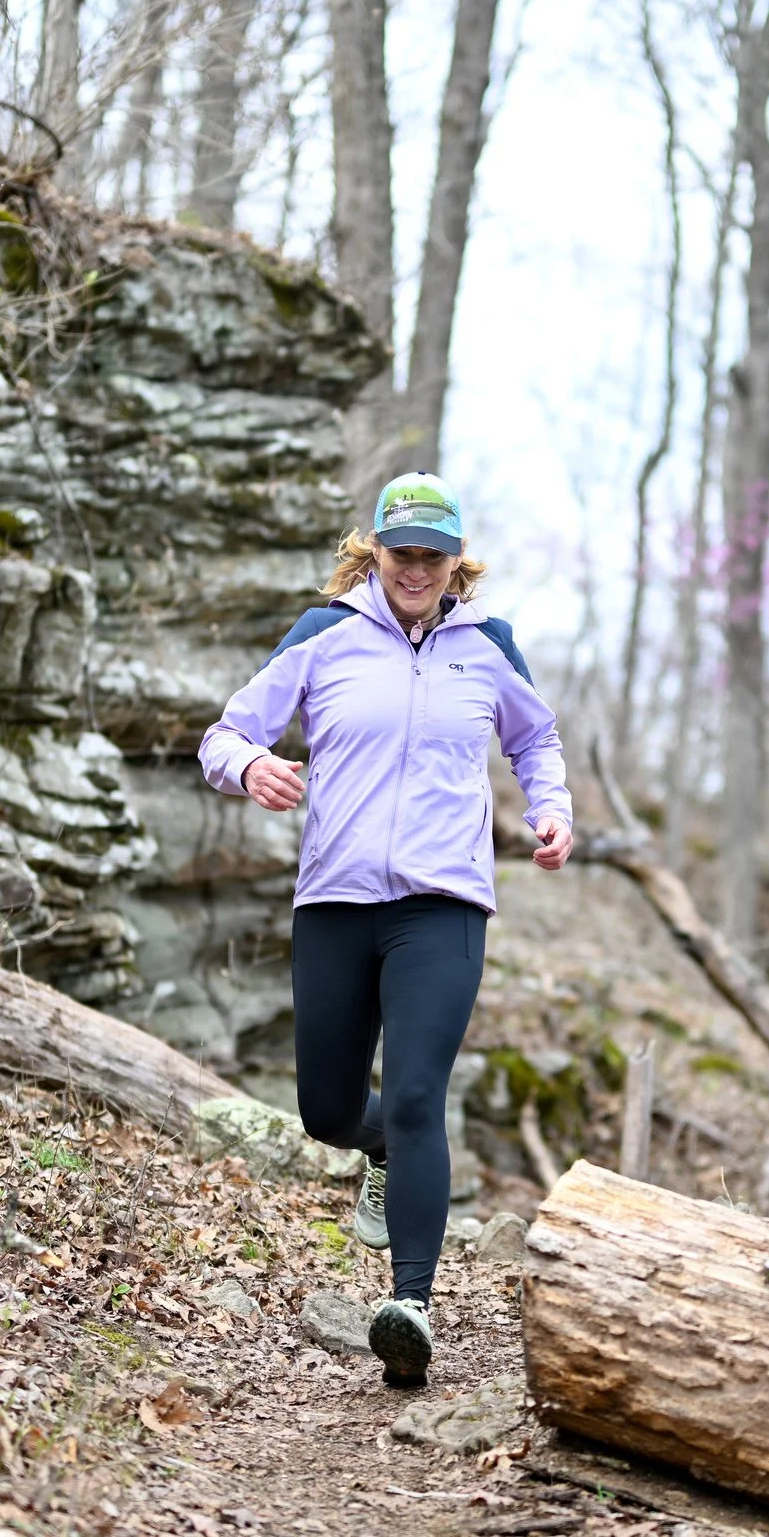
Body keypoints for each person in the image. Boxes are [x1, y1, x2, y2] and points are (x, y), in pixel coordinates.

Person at [198, 472, 573, 1387]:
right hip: (335, 899)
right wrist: (251, 766)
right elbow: (223, 733)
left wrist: (551, 807)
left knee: (416, 1096)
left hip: (442, 905)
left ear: (455, 562)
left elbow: (536, 739)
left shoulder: (489, 644)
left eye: (432, 556)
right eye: (401, 553)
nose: (416, 569)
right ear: (375, 552)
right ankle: (374, 1150)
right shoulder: (323, 635)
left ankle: (410, 1302)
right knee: (327, 1108)